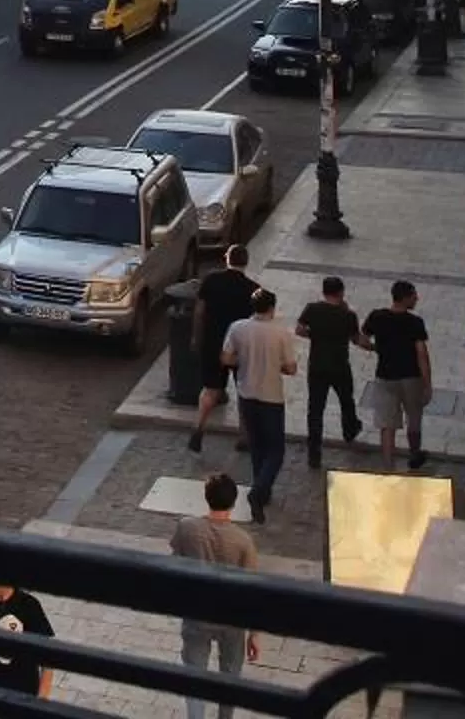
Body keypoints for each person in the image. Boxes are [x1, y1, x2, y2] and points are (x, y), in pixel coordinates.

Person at [169, 473, 260, 719]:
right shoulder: (243, 541)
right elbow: (253, 589)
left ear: (206, 497)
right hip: (231, 618)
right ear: (233, 503)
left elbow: (175, 564)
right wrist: (254, 633)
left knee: (194, 676)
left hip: (197, 613)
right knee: (229, 677)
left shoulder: (187, 528)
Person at [219, 289, 298, 522]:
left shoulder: (238, 328)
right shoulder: (281, 333)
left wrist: (244, 360)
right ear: (272, 308)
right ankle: (260, 490)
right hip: (271, 397)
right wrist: (276, 366)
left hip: (246, 393)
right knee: (276, 450)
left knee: (256, 445)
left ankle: (261, 489)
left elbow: (226, 358)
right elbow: (291, 368)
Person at [189, 245, 257, 451]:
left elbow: (200, 311)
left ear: (227, 258)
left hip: (213, 342)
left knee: (210, 389)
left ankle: (198, 429)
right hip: (239, 347)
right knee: (243, 390)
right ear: (246, 262)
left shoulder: (211, 280)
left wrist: (196, 337)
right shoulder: (253, 289)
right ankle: (244, 436)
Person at [360, 279, 434, 470]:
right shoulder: (415, 322)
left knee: (387, 424)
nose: (417, 298)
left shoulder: (377, 316)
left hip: (385, 376)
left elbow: (362, 339)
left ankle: (388, 465)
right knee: (414, 419)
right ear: (405, 298)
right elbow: (422, 355)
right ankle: (414, 455)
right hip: (411, 377)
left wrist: (376, 348)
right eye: (414, 296)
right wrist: (427, 384)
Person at [297, 276, 364, 466]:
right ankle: (350, 431)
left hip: (317, 365)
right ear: (341, 292)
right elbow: (356, 339)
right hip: (340, 365)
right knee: (346, 400)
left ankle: (314, 452)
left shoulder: (312, 309)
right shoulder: (348, 315)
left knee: (315, 409)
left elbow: (299, 330)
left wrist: (315, 335)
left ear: (324, 291)